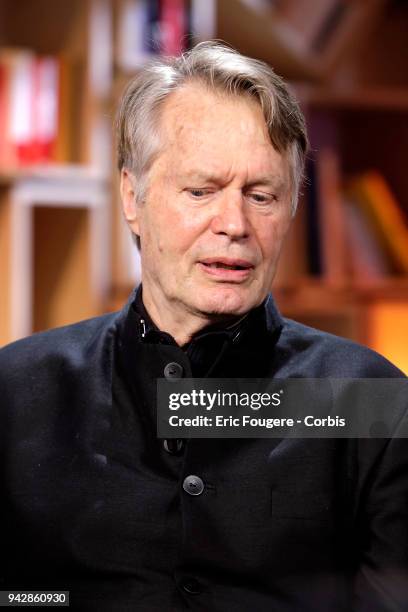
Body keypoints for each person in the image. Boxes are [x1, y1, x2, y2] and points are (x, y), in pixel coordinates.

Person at [0, 41, 407, 611]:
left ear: (291, 208)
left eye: (261, 195)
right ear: (131, 196)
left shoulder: (374, 401)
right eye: (202, 191)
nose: (235, 224)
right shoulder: (16, 390)